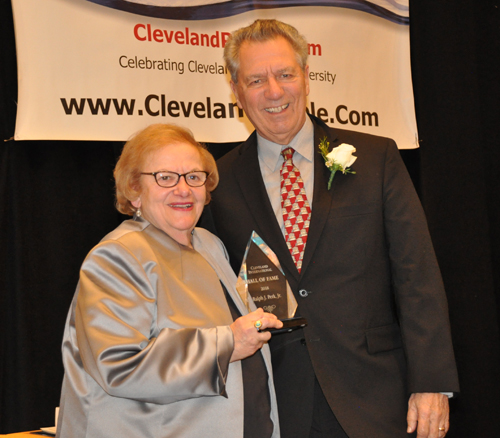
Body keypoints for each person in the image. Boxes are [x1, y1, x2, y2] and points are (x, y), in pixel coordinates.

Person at [202, 19, 460, 438]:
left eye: (285, 74)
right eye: (255, 79)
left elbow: (418, 278)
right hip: (276, 402)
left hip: (376, 395)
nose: (274, 91)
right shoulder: (218, 181)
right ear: (235, 90)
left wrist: (431, 382)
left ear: (306, 76)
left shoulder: (375, 159)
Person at [56, 124, 283, 438]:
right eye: (165, 177)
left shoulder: (208, 244)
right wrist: (226, 343)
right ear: (135, 191)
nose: (183, 189)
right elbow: (119, 366)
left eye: (194, 176)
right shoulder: (117, 256)